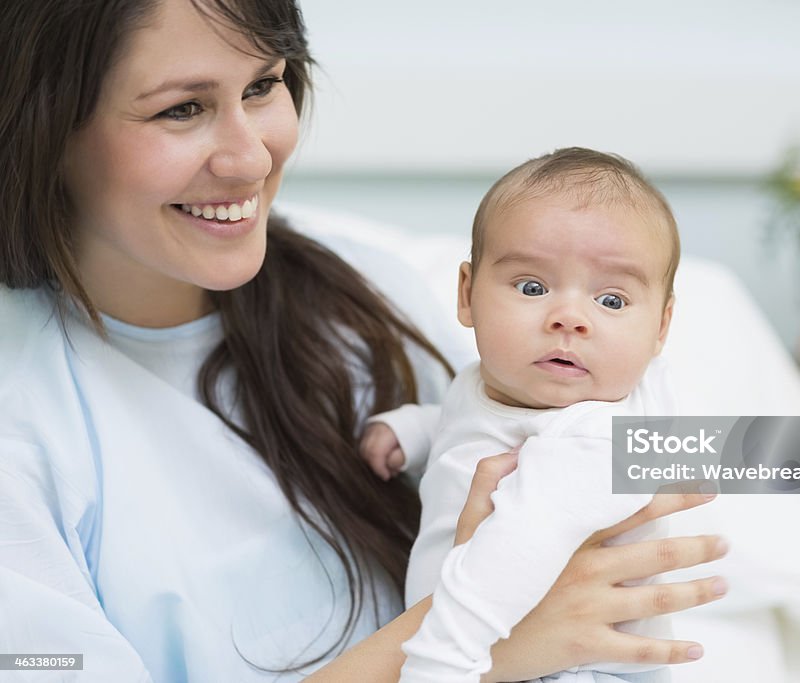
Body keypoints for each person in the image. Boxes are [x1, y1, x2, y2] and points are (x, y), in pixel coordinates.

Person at [0, 1, 729, 681]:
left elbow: (551, 433)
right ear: (47, 125)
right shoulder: (27, 420)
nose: (251, 158)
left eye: (263, 86)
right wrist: (477, 641)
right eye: (183, 109)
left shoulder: (357, 293)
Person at [359, 148, 701, 682]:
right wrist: (418, 429)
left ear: (661, 327)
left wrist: (439, 661)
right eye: (533, 287)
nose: (569, 318)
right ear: (467, 294)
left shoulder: (593, 437)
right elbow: (472, 420)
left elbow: (516, 551)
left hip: (560, 665)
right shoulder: (495, 384)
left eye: (611, 301)